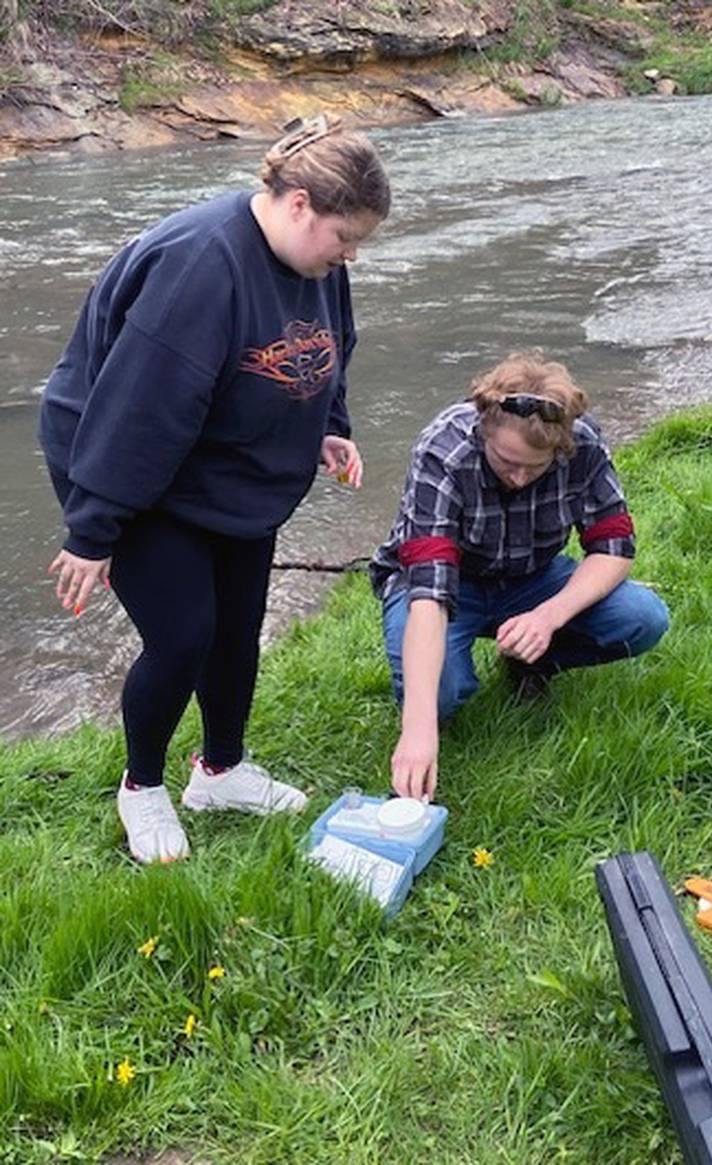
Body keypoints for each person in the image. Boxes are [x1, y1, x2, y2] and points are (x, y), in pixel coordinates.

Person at [39, 113, 391, 863]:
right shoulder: (201, 265)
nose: (351, 254)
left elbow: (329, 349)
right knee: (183, 634)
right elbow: (142, 407)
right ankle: (142, 788)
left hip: (227, 461)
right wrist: (94, 530)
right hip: (127, 462)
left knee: (238, 627)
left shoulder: (318, 266)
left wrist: (331, 422)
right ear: (299, 204)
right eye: (344, 236)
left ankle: (220, 771)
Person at [370, 350, 669, 801]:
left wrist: (547, 618)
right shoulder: (444, 451)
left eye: (536, 466)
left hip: (533, 578)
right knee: (437, 696)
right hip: (446, 584)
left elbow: (613, 550)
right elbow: (430, 594)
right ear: (483, 429)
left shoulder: (583, 445)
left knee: (644, 617)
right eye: (506, 460)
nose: (519, 476)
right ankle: (439, 708)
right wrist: (418, 730)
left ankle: (532, 660)